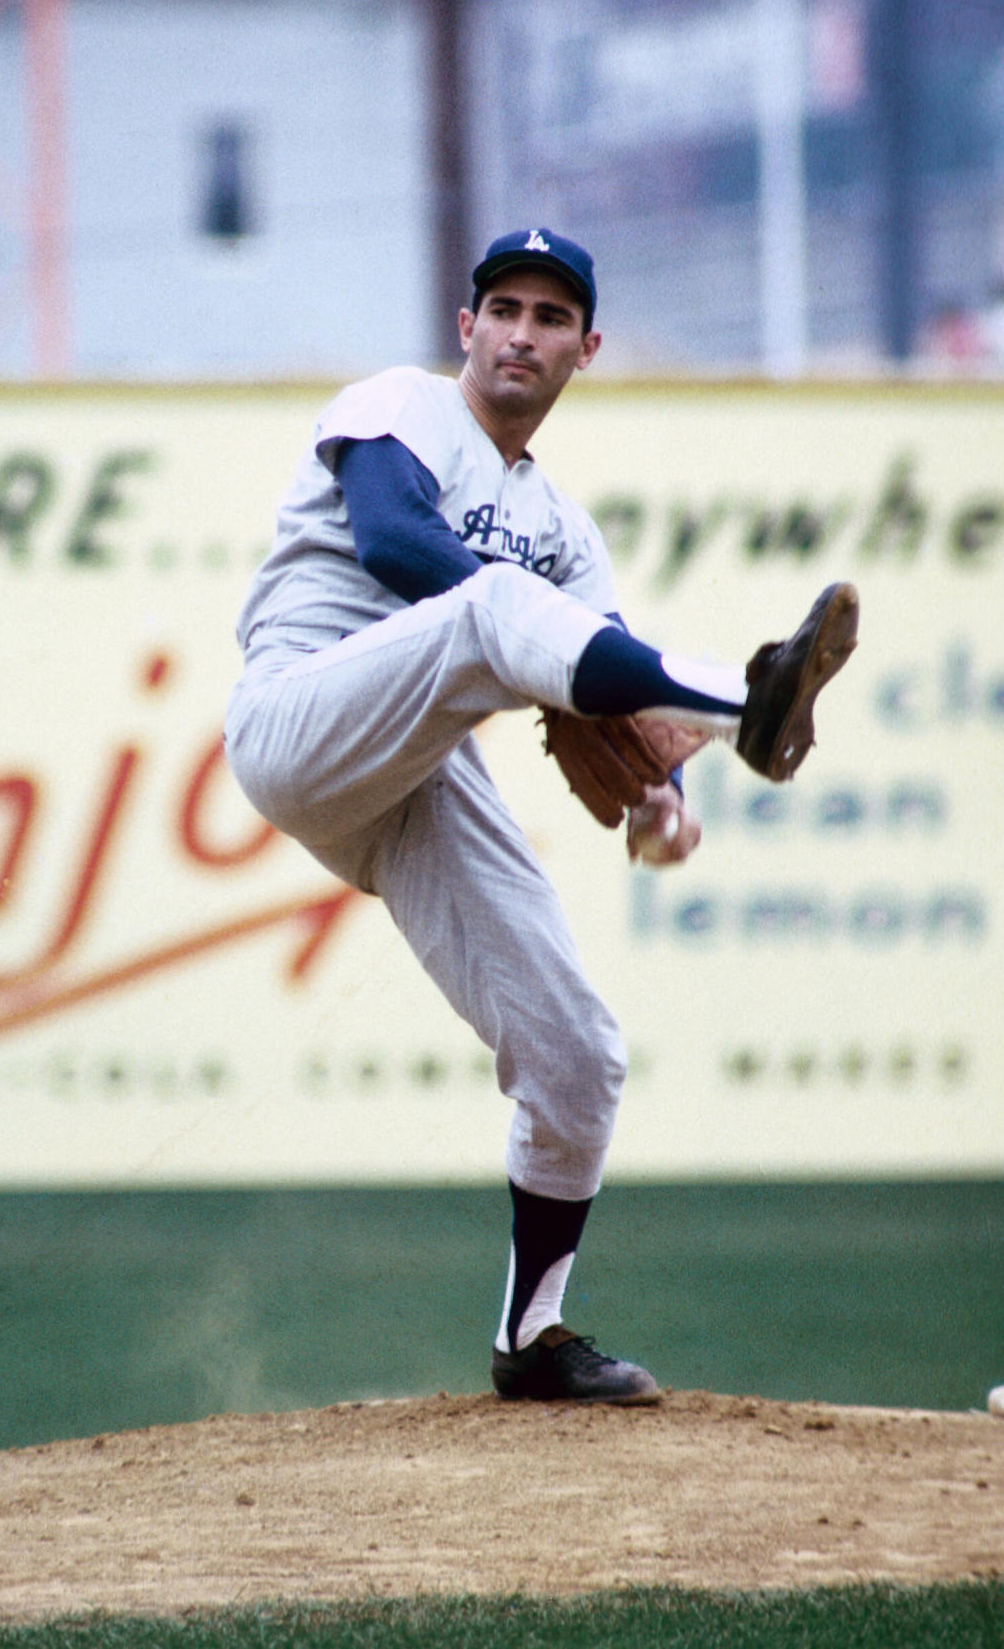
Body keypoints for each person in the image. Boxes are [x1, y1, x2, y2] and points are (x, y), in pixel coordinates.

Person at [224, 228, 858, 1406]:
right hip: (298, 718)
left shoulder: (566, 534)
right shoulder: (398, 405)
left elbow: (595, 702)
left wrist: (659, 802)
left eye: (550, 317)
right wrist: (678, 702)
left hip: (412, 780)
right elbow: (396, 542)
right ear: (465, 329)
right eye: (502, 308)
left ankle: (533, 1336)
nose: (523, 330)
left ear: (587, 349)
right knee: (493, 607)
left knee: (579, 1055)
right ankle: (746, 694)